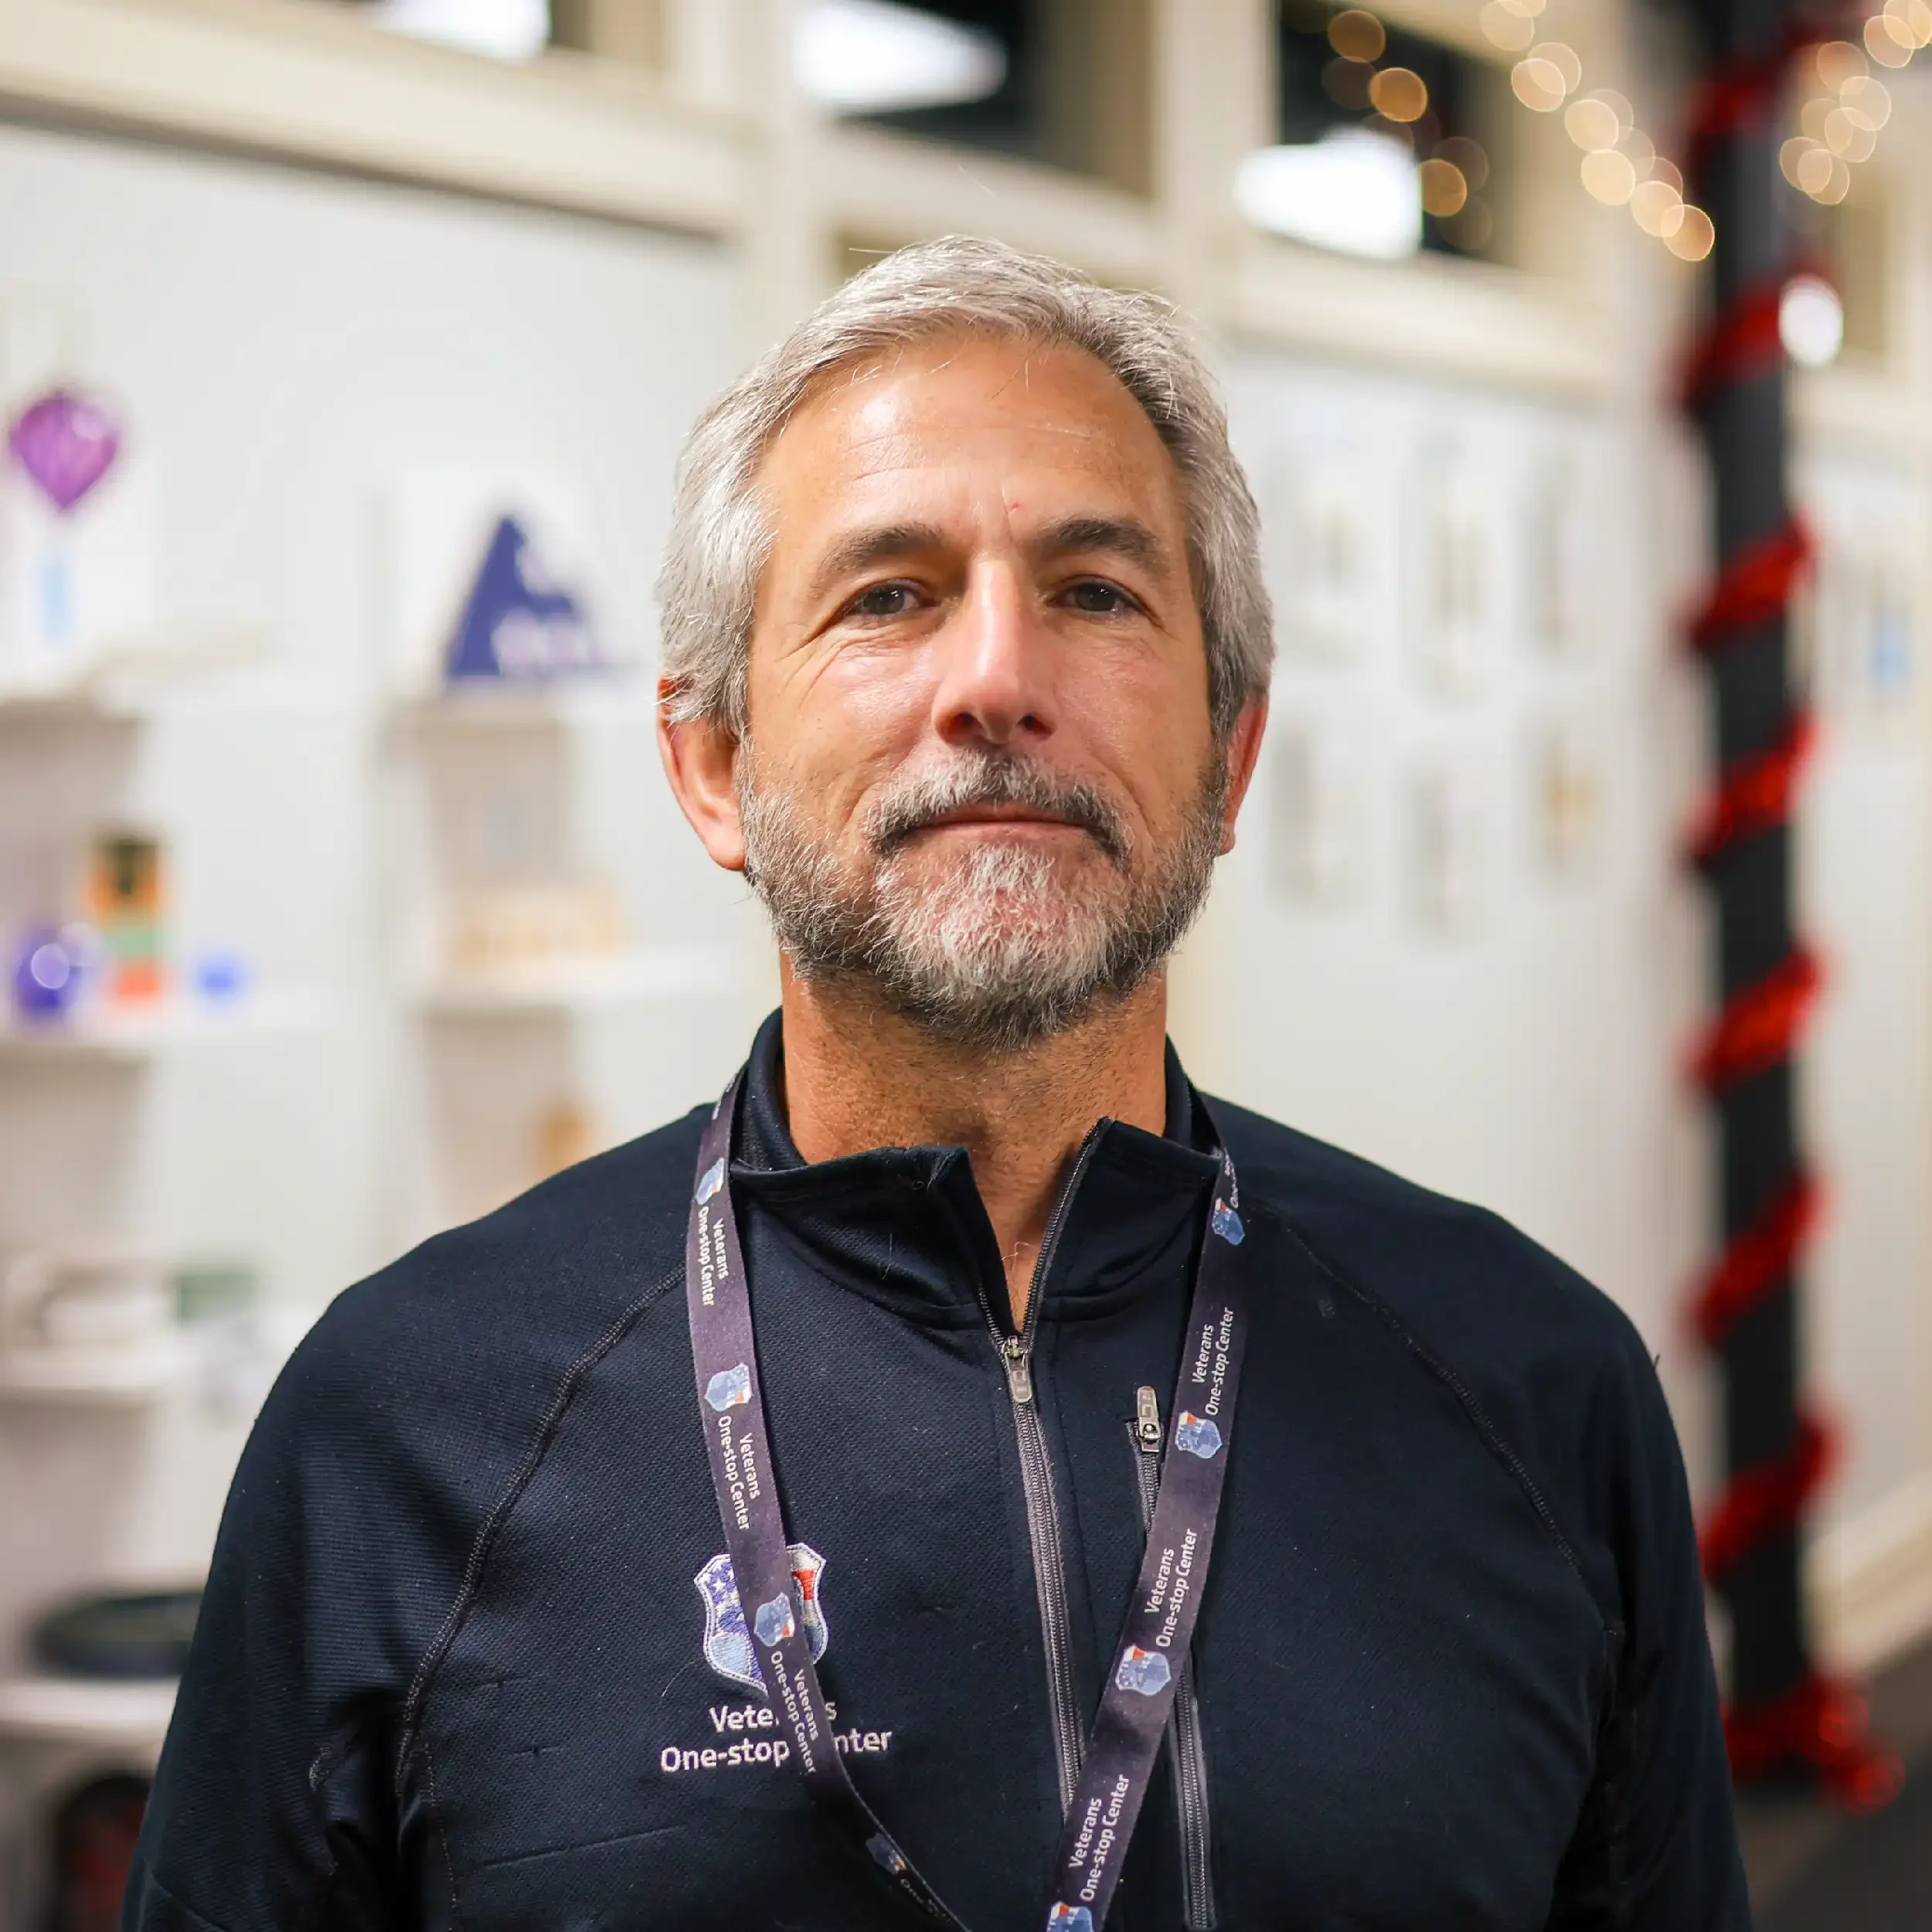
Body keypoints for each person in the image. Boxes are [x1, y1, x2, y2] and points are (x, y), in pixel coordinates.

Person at [125, 237, 1750, 1931]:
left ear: (1228, 756)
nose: (996, 679)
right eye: (888, 593)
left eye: (1095, 592)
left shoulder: (1524, 1379)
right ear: (713, 766)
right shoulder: (407, 1423)